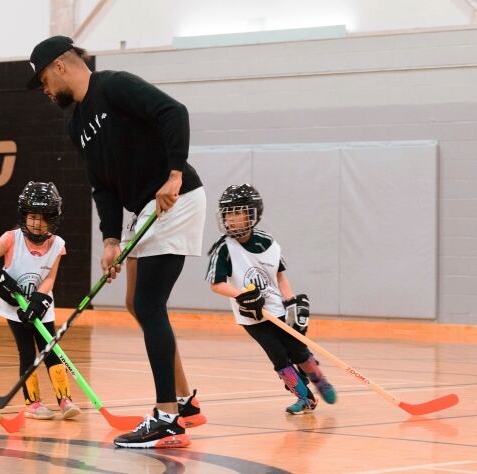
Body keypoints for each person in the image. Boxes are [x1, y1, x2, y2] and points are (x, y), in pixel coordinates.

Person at [26, 36, 206, 448]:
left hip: (175, 197)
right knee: (134, 303)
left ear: (59, 66)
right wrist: (110, 240)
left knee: (148, 303)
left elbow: (173, 112)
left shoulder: (115, 85)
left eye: (43, 81)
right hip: (143, 208)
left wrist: (174, 173)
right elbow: (102, 186)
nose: (45, 91)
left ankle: (167, 418)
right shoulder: (75, 125)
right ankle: (185, 402)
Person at [205, 184, 337, 414]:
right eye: (228, 213)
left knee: (299, 352)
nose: (231, 218)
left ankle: (319, 380)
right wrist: (242, 294)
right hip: (252, 317)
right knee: (278, 356)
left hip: (278, 309)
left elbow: (280, 278)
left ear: (252, 214)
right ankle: (304, 397)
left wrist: (291, 303)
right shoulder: (223, 248)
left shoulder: (267, 242)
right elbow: (217, 284)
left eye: (237, 212)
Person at [0, 181, 81, 420]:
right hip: (14, 307)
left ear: (53, 218)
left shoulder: (57, 244)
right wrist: (0, 281)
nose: (37, 223)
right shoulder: (11, 239)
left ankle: (65, 400)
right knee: (26, 352)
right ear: (24, 215)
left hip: (41, 306)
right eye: (32, 216)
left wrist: (38, 300)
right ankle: (33, 404)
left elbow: (50, 278)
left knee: (50, 350)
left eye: (43, 217)